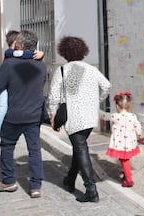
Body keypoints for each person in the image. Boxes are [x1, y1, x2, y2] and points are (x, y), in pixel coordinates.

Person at [48, 36, 111, 203]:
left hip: (75, 117)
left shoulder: (63, 70)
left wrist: (53, 115)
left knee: (81, 148)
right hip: (90, 117)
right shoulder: (91, 69)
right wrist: (97, 100)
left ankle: (91, 190)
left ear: (64, 52)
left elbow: (54, 96)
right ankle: (69, 180)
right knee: (79, 147)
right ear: (83, 51)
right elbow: (106, 86)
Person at [0, 30, 47, 199]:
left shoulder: (9, 64)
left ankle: (9, 181)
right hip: (34, 116)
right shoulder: (41, 65)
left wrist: (6, 94)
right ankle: (35, 186)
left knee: (7, 147)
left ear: (20, 46)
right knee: (34, 150)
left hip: (13, 115)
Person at [0, 30, 44, 144]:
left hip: (11, 96)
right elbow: (23, 54)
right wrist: (38, 54)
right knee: (2, 106)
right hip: (7, 88)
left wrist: (40, 54)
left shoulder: (13, 57)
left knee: (8, 145)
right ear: (14, 43)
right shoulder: (11, 53)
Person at [106, 91, 144, 187]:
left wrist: (97, 113)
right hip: (129, 143)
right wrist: (141, 136)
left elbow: (105, 116)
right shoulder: (132, 116)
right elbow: (138, 127)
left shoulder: (115, 116)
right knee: (124, 159)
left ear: (117, 106)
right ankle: (125, 173)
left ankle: (129, 180)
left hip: (120, 144)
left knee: (124, 160)